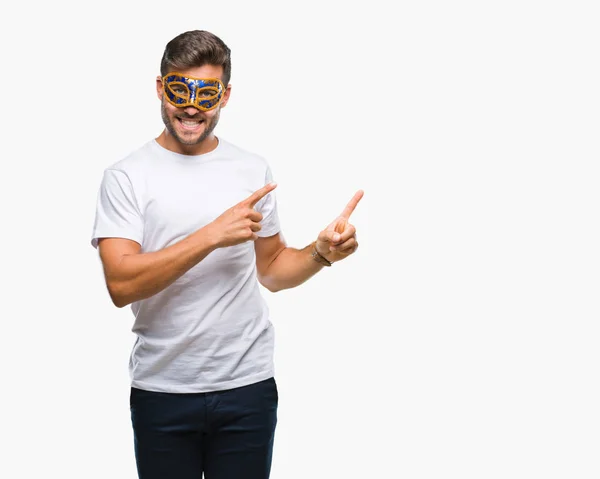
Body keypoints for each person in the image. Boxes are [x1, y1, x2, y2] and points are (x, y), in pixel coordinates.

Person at [91, 29, 363, 479]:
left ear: (225, 95)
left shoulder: (251, 168)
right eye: (180, 90)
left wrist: (319, 253)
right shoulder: (125, 176)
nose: (192, 106)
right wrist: (212, 234)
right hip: (163, 388)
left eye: (207, 92)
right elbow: (121, 285)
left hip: (247, 388)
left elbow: (273, 270)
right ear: (161, 88)